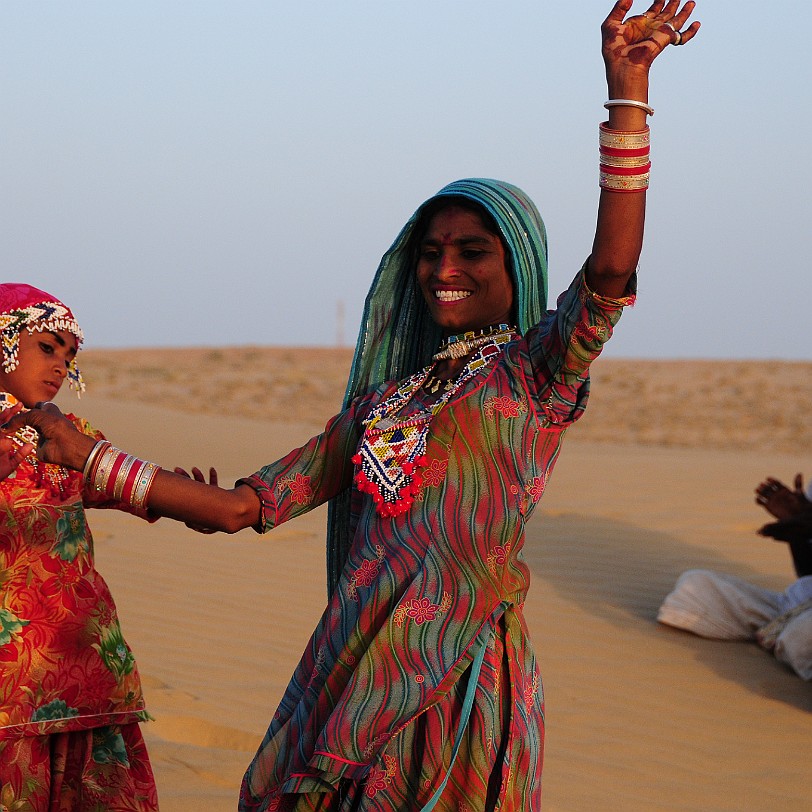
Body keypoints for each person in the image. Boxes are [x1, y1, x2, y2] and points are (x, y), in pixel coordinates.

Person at [6, 1, 700, 808]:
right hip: (351, 668)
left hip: (456, 673)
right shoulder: (375, 409)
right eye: (432, 252)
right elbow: (243, 507)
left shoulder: (532, 375)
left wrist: (627, 91)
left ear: (517, 264)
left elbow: (612, 272)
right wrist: (95, 462)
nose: (447, 267)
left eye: (472, 251)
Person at [0, 284, 159, 810]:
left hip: (83, 664)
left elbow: (115, 484)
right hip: (10, 684)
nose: (60, 367)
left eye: (69, 357)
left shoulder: (68, 432)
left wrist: (172, 496)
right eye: (47, 347)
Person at [658, 473, 812, 681]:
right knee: (694, 588)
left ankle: (786, 639)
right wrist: (795, 527)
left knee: (800, 634)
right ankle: (781, 636)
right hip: (800, 605)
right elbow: (806, 574)